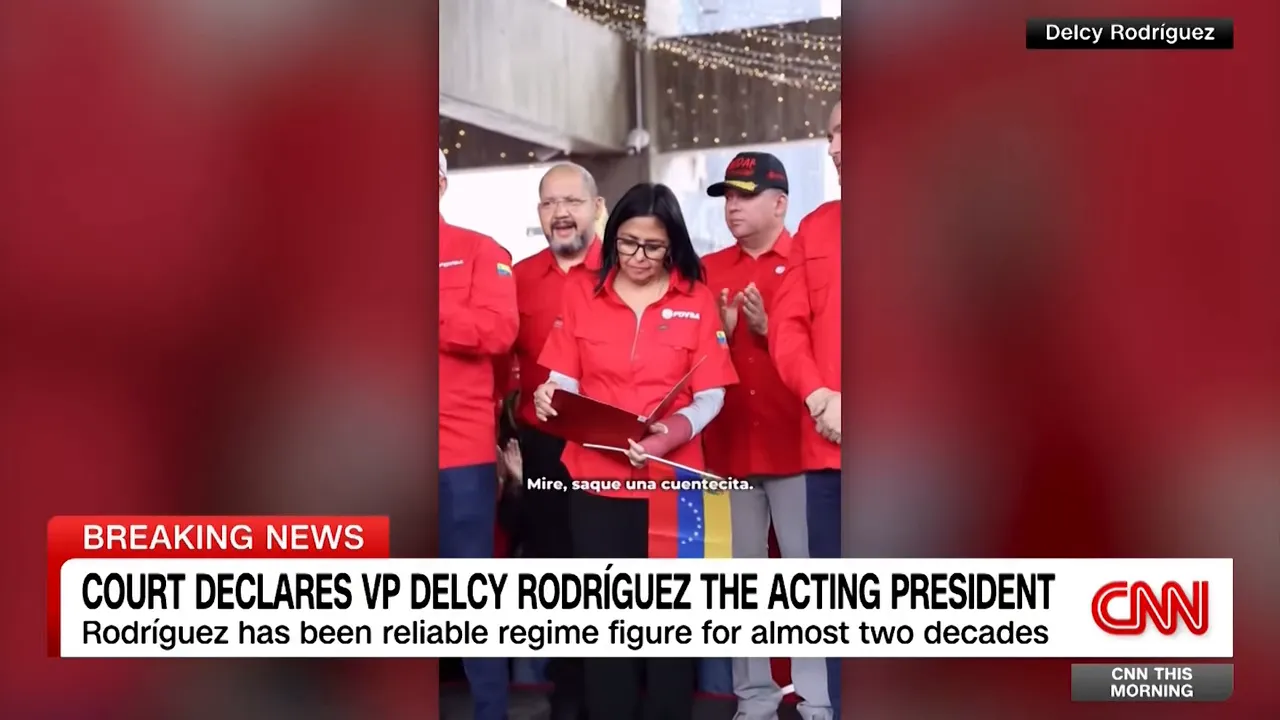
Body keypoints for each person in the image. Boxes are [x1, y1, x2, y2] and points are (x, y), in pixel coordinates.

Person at [532, 182, 738, 720]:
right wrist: (551, 395)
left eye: (653, 246)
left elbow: (711, 394)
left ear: (672, 246)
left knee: (671, 631)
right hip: (596, 480)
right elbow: (563, 377)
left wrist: (667, 435)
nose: (638, 257)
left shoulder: (695, 298)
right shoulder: (582, 294)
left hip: (674, 482)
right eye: (627, 243)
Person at [700, 152, 831, 719]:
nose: (733, 206)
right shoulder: (706, 271)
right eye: (728, 196)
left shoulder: (810, 264)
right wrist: (720, 336)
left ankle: (818, 696)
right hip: (730, 447)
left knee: (809, 577)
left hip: (797, 445)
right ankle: (753, 697)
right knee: (741, 581)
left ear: (780, 203)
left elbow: (825, 349)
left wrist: (769, 329)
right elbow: (690, 359)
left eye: (746, 195)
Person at [499, 162, 605, 720]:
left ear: (597, 208)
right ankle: (567, 697)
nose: (560, 213)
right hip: (542, 449)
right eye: (549, 203)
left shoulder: (623, 271)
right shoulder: (517, 278)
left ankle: (619, 696)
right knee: (557, 577)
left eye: (571, 201)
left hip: (612, 449)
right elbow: (500, 366)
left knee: (615, 574)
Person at [437, 148, 519, 720]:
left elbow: (499, 331)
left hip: (457, 451)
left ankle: (491, 710)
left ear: (440, 184)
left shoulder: (480, 251)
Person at [768, 101, 843, 719]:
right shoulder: (815, 229)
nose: (837, 146)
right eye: (833, 133)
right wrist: (819, 395)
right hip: (827, 451)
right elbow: (786, 328)